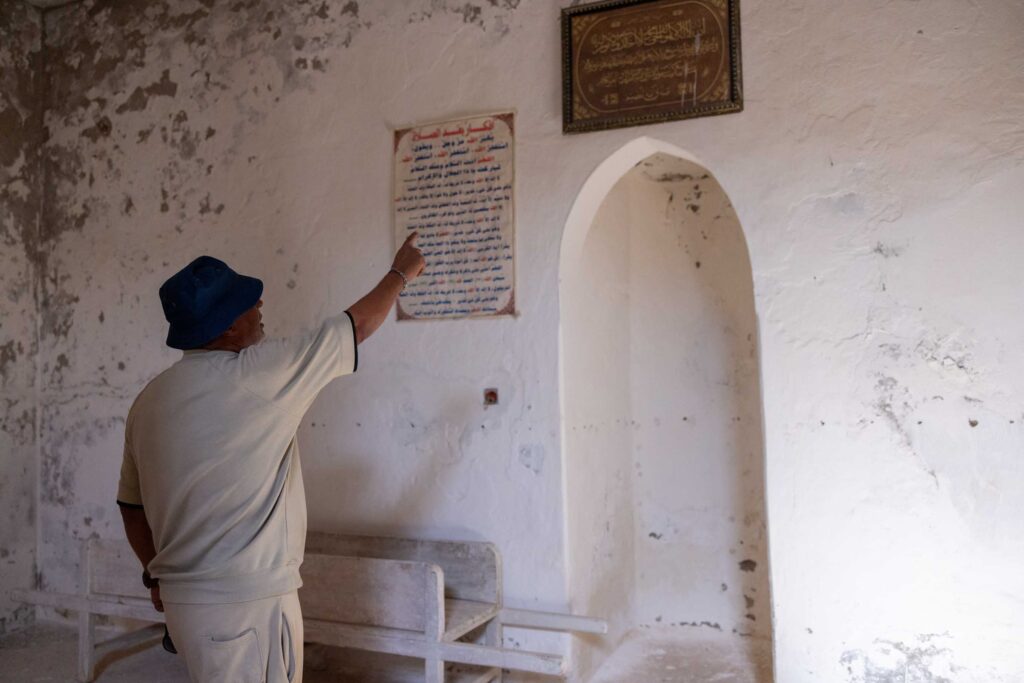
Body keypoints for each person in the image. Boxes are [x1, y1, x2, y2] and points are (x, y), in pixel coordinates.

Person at [116, 233, 425, 683]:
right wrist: (401, 273)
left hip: (188, 607)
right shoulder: (258, 374)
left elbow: (131, 508)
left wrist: (155, 576)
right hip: (245, 607)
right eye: (247, 302)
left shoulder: (148, 400)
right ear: (225, 328)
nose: (260, 304)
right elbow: (354, 327)